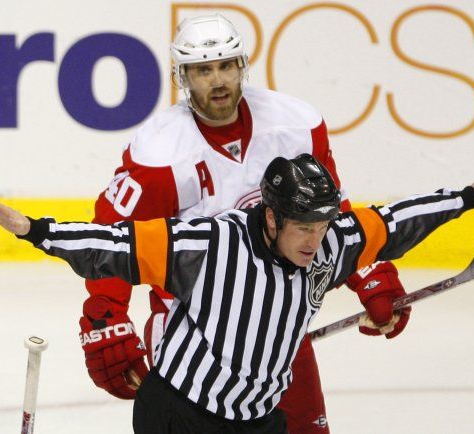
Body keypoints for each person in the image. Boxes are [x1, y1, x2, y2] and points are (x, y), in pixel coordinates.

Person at [0, 153, 474, 434]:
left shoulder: (330, 240)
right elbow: (114, 245)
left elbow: (394, 224)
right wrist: (35, 229)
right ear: (271, 217)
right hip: (180, 416)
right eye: (302, 226)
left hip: (260, 420)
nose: (314, 240)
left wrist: (466, 195)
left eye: (322, 224)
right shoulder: (207, 245)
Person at [81, 14, 410, 433]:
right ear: (184, 76)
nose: (217, 81)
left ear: (243, 65)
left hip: (280, 328)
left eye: (226, 65)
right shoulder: (160, 152)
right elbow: (114, 237)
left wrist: (369, 271)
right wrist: (106, 318)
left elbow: (329, 215)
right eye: (203, 70)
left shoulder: (295, 126)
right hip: (191, 334)